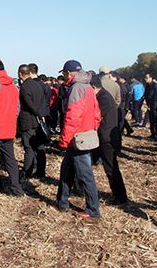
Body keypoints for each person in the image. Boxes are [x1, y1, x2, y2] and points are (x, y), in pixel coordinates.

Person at [54, 60, 102, 219]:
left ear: (68, 73)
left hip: (77, 138)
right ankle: (62, 202)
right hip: (84, 135)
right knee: (66, 170)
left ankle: (93, 209)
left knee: (85, 174)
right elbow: (97, 114)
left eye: (64, 73)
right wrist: (92, 129)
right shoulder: (88, 87)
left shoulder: (76, 88)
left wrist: (64, 140)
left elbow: (72, 117)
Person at [90, 74, 128, 205]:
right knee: (87, 162)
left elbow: (97, 117)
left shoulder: (104, 98)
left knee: (111, 168)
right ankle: (78, 188)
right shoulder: (102, 95)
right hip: (102, 137)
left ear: (94, 87)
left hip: (106, 139)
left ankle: (121, 197)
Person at [0, 59, 23, 197]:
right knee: (11, 161)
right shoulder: (14, 86)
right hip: (9, 129)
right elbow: (18, 108)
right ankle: (17, 189)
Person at [17, 64, 46, 179]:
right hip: (38, 121)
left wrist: (36, 112)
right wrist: (41, 113)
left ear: (20, 74)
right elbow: (43, 100)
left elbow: (28, 103)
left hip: (28, 121)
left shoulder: (24, 87)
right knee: (40, 146)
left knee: (28, 148)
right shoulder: (37, 85)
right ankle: (41, 171)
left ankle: (27, 172)